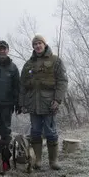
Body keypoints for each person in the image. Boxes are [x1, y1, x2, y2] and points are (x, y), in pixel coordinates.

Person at [19, 34, 68, 170]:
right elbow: (22, 85)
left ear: (44, 44)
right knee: (35, 132)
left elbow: (62, 81)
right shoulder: (28, 64)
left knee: (51, 132)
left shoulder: (56, 61)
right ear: (33, 47)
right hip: (33, 104)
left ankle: (53, 161)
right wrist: (22, 103)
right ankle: (38, 161)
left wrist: (57, 100)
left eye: (40, 43)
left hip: (49, 103)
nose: (37, 46)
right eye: (35, 44)